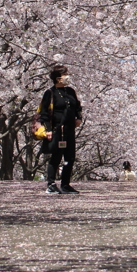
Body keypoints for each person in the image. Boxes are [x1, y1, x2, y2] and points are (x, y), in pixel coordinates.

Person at [36, 64, 83, 195]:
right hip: (57, 130)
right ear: (58, 78)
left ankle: (65, 184)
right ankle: (51, 184)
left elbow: (77, 106)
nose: (67, 77)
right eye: (65, 75)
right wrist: (48, 130)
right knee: (56, 156)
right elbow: (44, 113)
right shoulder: (50, 93)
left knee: (70, 157)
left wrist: (78, 117)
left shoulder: (70, 91)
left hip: (69, 130)